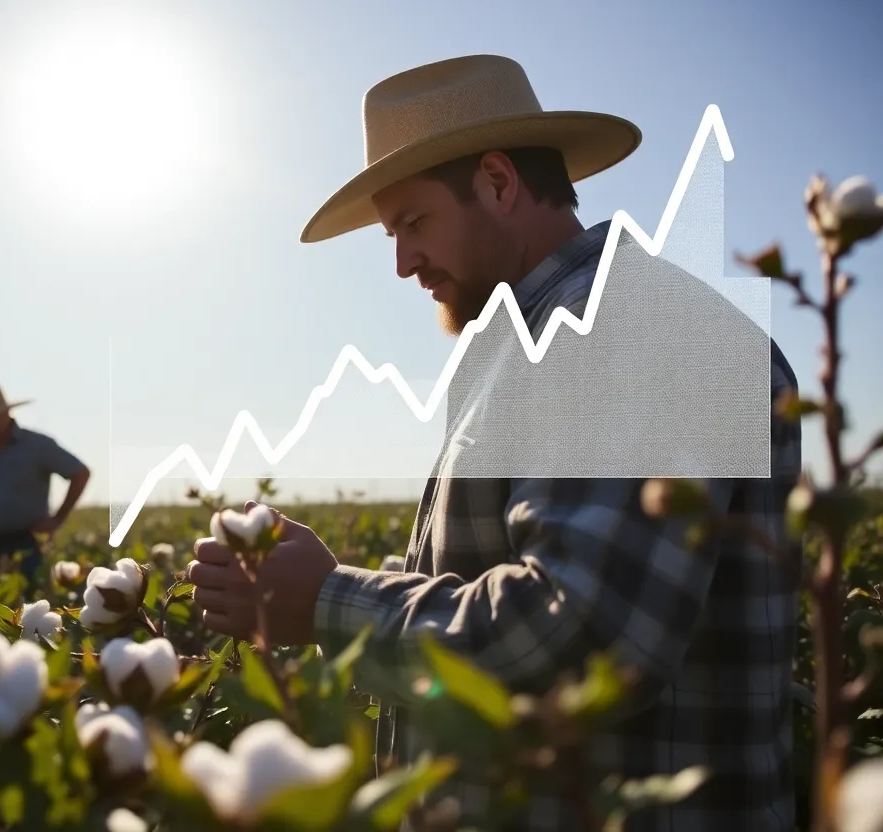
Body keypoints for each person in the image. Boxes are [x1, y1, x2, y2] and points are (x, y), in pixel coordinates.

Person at [187, 55, 802, 830]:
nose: (403, 263)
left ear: (500, 183)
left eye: (413, 224)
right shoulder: (558, 338)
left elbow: (581, 635)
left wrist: (322, 598)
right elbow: (522, 579)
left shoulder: (629, 325)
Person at [0, 383, 90, 586]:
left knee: (30, 603)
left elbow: (80, 473)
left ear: (7, 413)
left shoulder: (37, 445)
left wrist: (58, 518)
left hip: (28, 542)